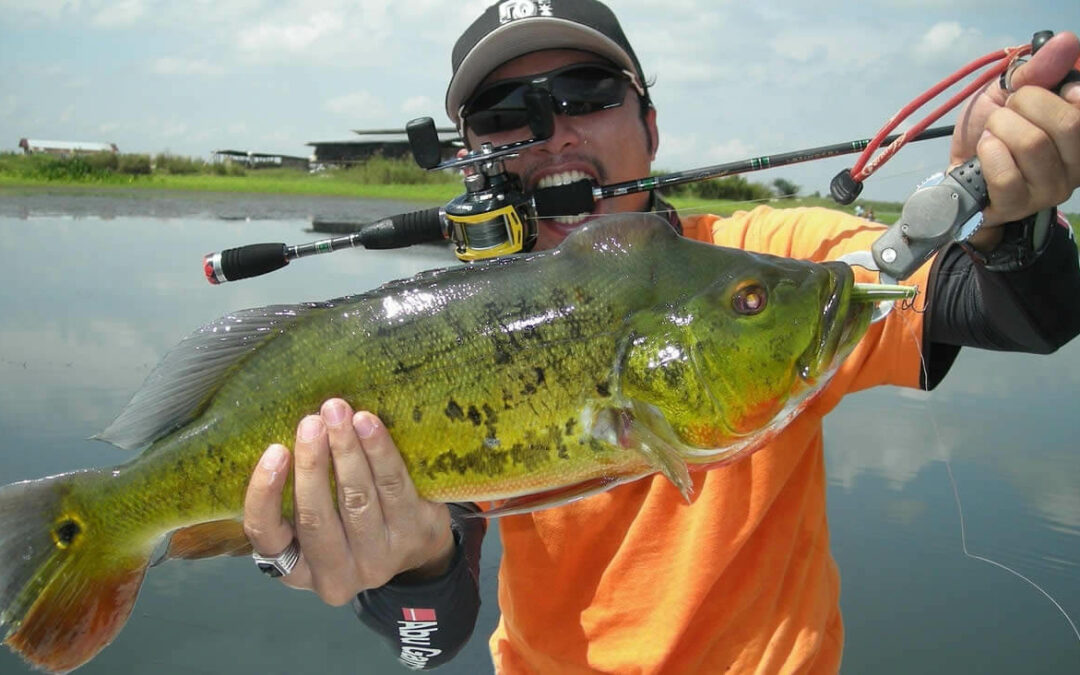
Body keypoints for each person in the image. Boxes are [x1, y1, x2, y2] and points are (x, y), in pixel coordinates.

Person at [242, 2, 1080, 672]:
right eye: (506, 113)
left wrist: (1009, 216)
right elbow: (431, 641)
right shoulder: (449, 329)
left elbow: (1020, 313)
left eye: (587, 93)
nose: (555, 130)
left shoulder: (765, 266)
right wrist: (409, 568)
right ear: (471, 160)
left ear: (650, 123)